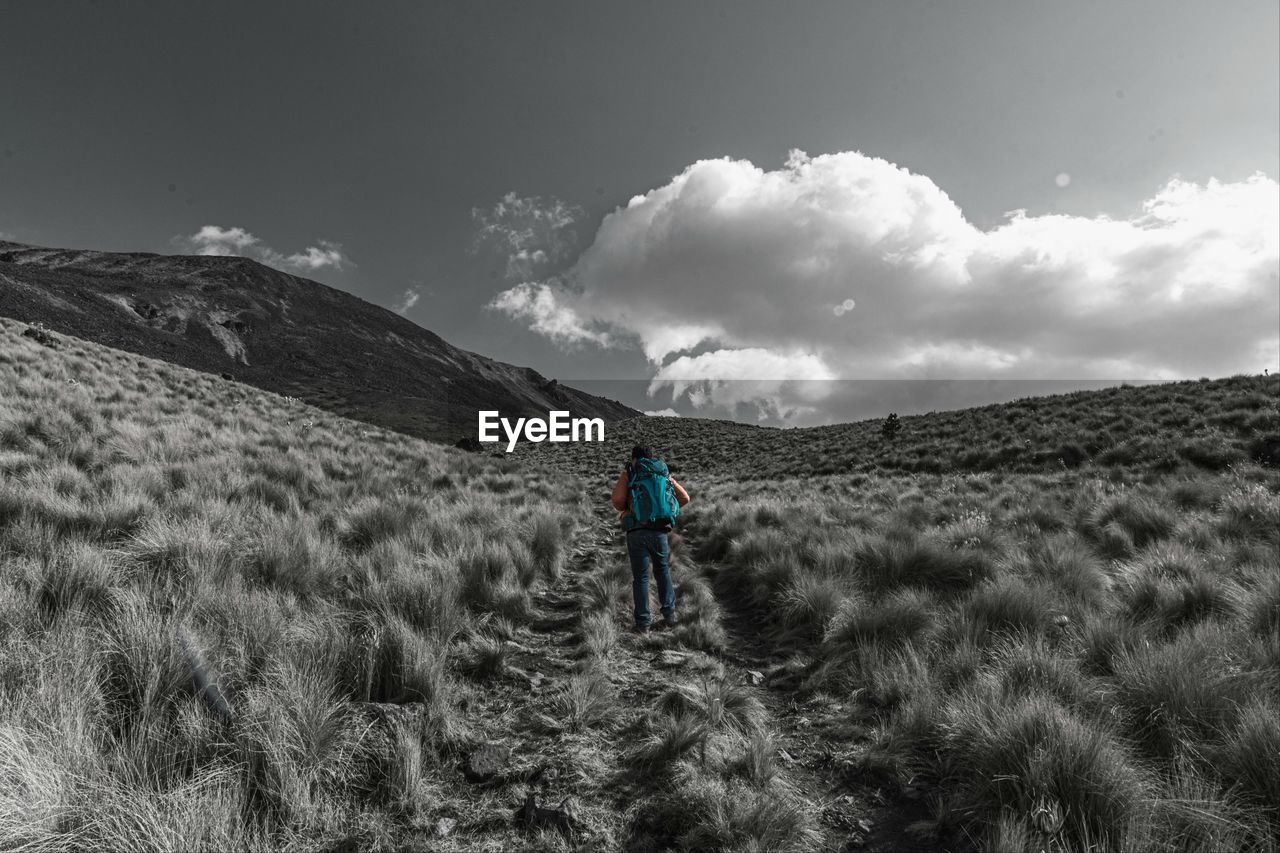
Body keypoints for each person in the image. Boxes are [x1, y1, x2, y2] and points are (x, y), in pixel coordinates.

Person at [611, 445, 690, 634]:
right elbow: (685, 497)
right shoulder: (662, 474)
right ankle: (670, 616)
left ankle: (643, 624)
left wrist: (630, 510)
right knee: (663, 572)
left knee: (641, 578)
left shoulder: (630, 473)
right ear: (651, 458)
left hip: (637, 532)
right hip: (659, 531)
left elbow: (617, 500)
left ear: (634, 459)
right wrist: (666, 510)